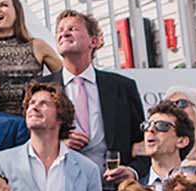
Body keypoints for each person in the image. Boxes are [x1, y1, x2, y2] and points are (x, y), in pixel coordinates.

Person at [52, 9, 146, 171]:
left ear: (93, 42)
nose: (64, 33)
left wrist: (132, 172)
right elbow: (29, 142)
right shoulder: (43, 89)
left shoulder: (123, 87)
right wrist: (59, 147)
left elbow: (142, 143)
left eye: (73, 29)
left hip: (113, 185)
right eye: (60, 30)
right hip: (60, 181)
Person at [0, 0, 59, 115]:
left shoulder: (37, 46)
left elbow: (64, 79)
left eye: (4, 5)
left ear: (17, 13)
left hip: (31, 120)